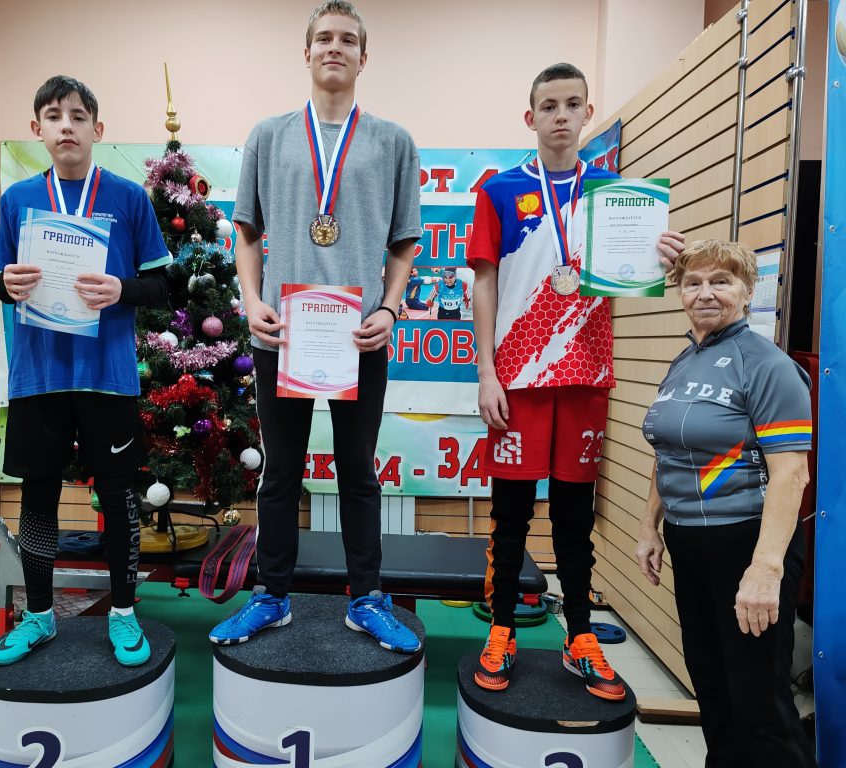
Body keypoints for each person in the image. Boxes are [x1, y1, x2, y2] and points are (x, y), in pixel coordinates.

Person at [209, 0, 423, 653]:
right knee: (280, 470)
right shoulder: (269, 136)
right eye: (324, 38)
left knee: (358, 471)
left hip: (359, 336)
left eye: (347, 39)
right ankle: (271, 597)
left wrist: (388, 309)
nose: (335, 47)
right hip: (282, 333)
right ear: (306, 53)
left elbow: (404, 245)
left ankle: (367, 598)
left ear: (364, 56)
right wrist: (250, 300)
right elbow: (247, 233)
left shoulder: (392, 141)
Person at [467, 62, 685, 697]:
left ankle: (580, 637)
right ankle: (501, 629)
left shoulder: (617, 195)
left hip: (586, 373)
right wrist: (486, 372)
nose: (560, 115)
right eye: (549, 106)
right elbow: (484, 284)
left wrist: (665, 259)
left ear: (588, 113)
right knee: (510, 514)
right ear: (530, 117)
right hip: (518, 373)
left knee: (573, 516)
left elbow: (639, 279)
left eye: (572, 104)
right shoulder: (500, 191)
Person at [0, 76, 171, 667]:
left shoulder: (128, 197)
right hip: (39, 374)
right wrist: (7, 284)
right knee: (37, 497)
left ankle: (123, 613)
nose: (65, 125)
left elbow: (160, 286)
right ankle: (39, 615)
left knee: (117, 496)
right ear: (36, 128)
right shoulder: (17, 199)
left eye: (76, 115)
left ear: (98, 128)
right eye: (52, 115)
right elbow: (0, 281)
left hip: (106, 375)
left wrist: (121, 288)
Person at [637, 239, 816, 767]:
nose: (705, 293)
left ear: (747, 289)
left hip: (746, 543)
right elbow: (670, 450)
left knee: (758, 700)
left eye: (721, 281)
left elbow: (792, 473)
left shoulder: (767, 365)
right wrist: (650, 526)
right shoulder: (685, 360)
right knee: (712, 688)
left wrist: (766, 569)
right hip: (690, 543)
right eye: (693, 283)